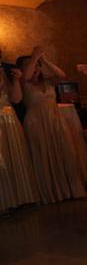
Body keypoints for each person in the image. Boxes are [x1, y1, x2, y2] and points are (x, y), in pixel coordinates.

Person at [17, 47, 86, 203]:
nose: (34, 67)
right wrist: (34, 57)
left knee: (65, 151)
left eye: (36, 65)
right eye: (30, 65)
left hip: (55, 119)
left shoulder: (48, 82)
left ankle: (69, 190)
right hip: (36, 121)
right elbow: (26, 76)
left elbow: (62, 75)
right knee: (42, 154)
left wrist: (44, 60)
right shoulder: (23, 83)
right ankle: (50, 193)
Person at [0, 62, 39, 213]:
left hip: (9, 119)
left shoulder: (4, 71)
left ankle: (19, 199)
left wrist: (15, 81)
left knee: (14, 159)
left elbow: (16, 99)